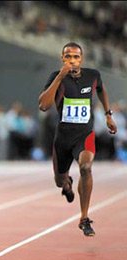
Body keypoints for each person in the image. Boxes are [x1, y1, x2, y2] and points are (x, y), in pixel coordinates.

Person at [39, 42, 117, 237]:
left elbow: (101, 89)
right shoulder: (56, 78)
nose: (72, 61)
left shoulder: (93, 75)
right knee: (59, 181)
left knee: (86, 167)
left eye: (75, 57)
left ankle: (84, 219)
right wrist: (59, 76)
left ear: (81, 59)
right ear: (62, 58)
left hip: (85, 134)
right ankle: (67, 184)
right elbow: (43, 105)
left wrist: (108, 114)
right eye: (68, 57)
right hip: (63, 137)